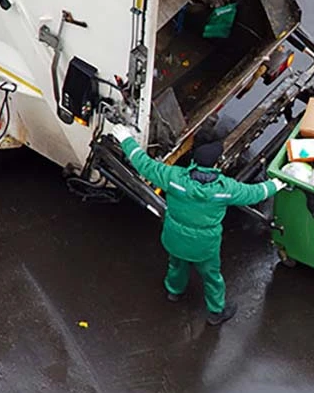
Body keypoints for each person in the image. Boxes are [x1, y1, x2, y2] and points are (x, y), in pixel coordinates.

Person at [111, 124, 286, 326]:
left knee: (176, 264)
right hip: (204, 247)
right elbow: (255, 192)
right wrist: (276, 185)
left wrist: (126, 139)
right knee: (212, 277)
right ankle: (216, 312)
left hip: (174, 238)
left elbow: (144, 164)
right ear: (214, 165)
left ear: (194, 161)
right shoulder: (225, 189)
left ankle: (174, 291)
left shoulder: (173, 178)